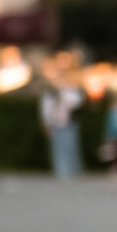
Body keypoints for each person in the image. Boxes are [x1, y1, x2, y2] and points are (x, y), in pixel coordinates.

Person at [40, 50, 86, 182]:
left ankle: (72, 172)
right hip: (56, 122)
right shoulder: (51, 89)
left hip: (69, 121)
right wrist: (46, 122)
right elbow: (46, 107)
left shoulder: (72, 85)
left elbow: (76, 101)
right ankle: (61, 172)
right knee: (58, 147)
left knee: (71, 146)